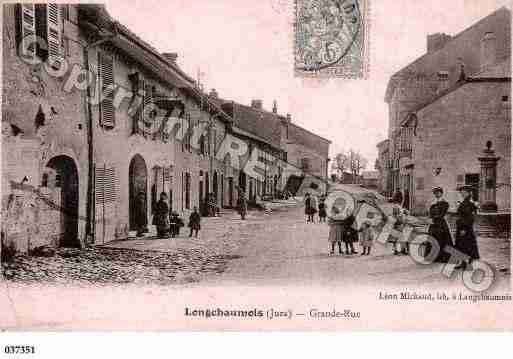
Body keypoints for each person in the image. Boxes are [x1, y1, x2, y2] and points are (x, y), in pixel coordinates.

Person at [454, 185, 480, 270]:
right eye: (461, 192)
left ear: (469, 193)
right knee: (461, 245)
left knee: (467, 245)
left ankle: (468, 264)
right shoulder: (464, 202)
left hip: (465, 228)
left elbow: (469, 218)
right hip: (461, 226)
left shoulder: (469, 203)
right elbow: (460, 214)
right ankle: (462, 263)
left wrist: (464, 229)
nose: (462, 193)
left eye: (464, 192)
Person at [427, 187, 453, 262]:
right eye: (435, 193)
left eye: (438, 193)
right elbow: (430, 213)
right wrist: (430, 218)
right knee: (433, 239)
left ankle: (443, 257)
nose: (436, 194)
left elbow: (442, 213)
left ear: (441, 193)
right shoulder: (433, 203)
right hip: (433, 224)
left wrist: (434, 218)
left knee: (442, 239)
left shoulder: (444, 203)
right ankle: (434, 257)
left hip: (440, 223)